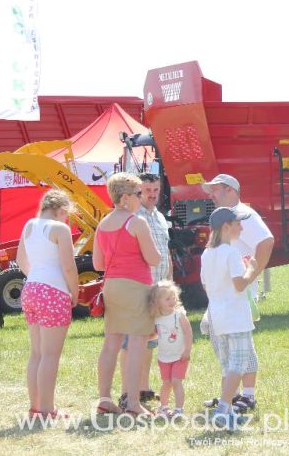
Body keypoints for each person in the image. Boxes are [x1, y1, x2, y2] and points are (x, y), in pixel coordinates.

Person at [202, 173, 273, 412]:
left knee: (241, 349)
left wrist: (252, 274)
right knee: (237, 350)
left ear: (230, 190)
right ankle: (232, 396)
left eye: (215, 190)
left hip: (237, 293)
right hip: (228, 295)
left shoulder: (245, 216)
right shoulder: (226, 226)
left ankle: (245, 396)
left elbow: (266, 241)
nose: (211, 195)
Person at [93, 172, 161, 417]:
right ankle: (133, 403)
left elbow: (98, 263)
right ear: (125, 197)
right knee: (137, 345)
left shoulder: (103, 224)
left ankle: (104, 399)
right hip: (136, 286)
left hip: (111, 285)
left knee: (111, 343)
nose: (141, 198)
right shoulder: (136, 222)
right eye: (138, 193)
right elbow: (154, 258)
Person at [16, 190, 78, 419]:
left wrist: (38, 277)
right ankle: (48, 410)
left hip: (31, 288)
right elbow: (69, 267)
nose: (66, 220)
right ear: (61, 210)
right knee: (50, 356)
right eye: (66, 215)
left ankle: (36, 407)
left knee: (37, 354)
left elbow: (21, 259)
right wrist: (75, 291)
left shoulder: (29, 225)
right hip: (54, 290)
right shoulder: (60, 229)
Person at [200, 207, 259, 428]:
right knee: (239, 364)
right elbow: (239, 284)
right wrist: (252, 268)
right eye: (237, 223)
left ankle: (227, 410)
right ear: (226, 226)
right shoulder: (231, 252)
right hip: (235, 315)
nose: (241, 227)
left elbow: (206, 285)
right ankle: (224, 410)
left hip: (217, 315)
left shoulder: (207, 253)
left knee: (227, 366)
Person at [119, 172, 172, 406]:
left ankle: (144, 388)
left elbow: (166, 251)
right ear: (138, 192)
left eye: (155, 191)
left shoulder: (160, 217)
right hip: (139, 287)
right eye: (147, 191)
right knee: (130, 342)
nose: (152, 195)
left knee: (150, 340)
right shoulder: (132, 217)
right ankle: (125, 391)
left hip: (158, 289)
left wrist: (168, 282)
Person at [149, 280, 191, 418]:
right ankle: (164, 407)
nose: (172, 300)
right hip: (164, 357)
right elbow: (156, 334)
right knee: (166, 383)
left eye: (173, 297)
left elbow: (188, 332)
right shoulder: (157, 318)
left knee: (176, 381)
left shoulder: (179, 315)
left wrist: (187, 350)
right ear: (157, 302)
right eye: (167, 298)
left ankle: (179, 410)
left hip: (180, 356)